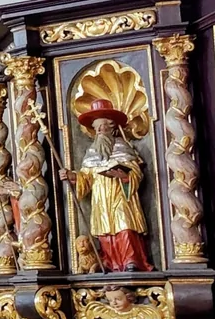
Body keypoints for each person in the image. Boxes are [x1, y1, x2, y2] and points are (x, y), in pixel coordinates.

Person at [60, 102, 155, 272]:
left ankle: (131, 260)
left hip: (120, 194)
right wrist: (72, 176)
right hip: (100, 197)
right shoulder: (91, 152)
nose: (100, 131)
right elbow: (86, 177)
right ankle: (111, 262)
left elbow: (136, 172)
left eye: (103, 127)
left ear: (112, 128)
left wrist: (125, 176)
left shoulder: (123, 147)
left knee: (125, 225)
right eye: (97, 128)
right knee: (105, 230)